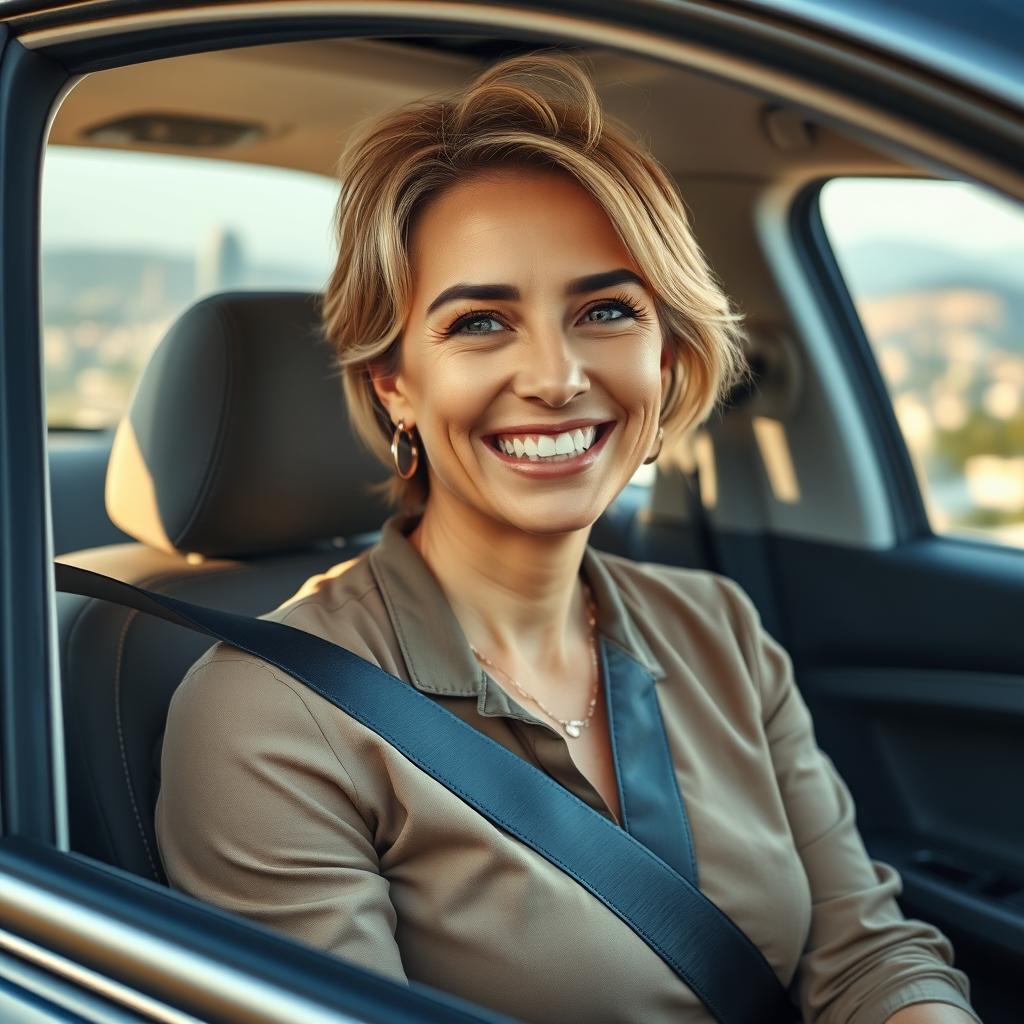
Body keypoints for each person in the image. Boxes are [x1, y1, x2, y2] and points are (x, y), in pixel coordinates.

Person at [155, 52, 980, 1024]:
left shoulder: (717, 627)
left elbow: (862, 953)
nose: (554, 376)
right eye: (479, 323)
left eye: (604, 311)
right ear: (394, 381)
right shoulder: (272, 713)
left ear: (665, 353)